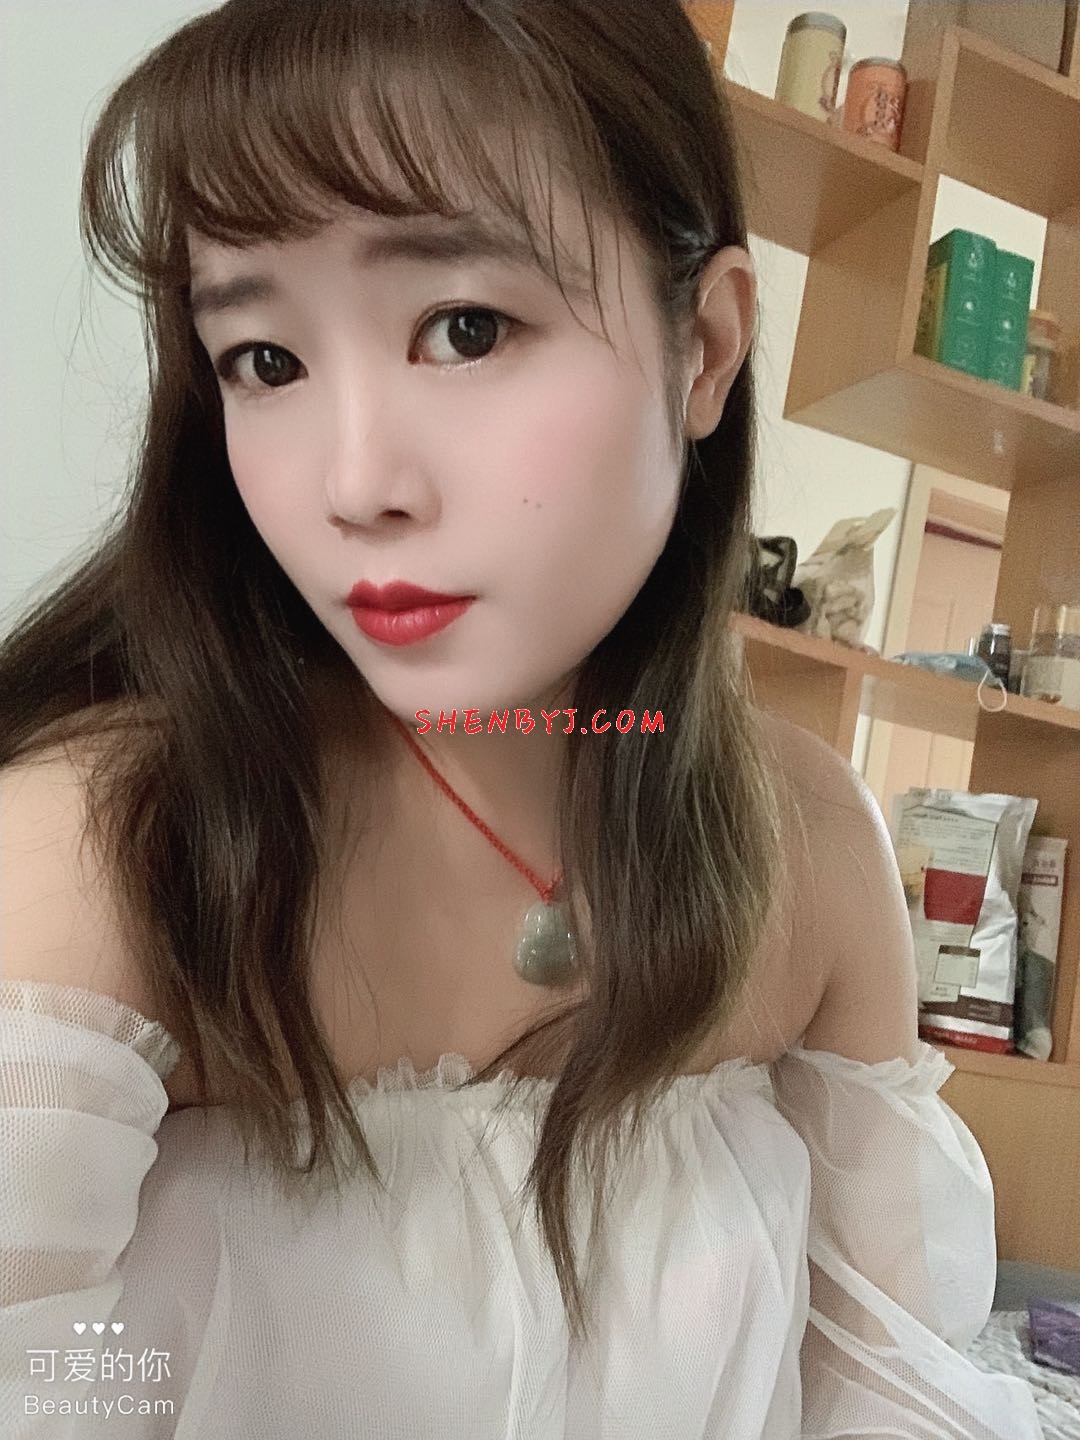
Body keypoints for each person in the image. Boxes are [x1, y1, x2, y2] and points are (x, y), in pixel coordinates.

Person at [0, 2, 1046, 1436]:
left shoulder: (802, 843)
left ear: (706, 348)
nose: (354, 486)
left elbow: (880, 1387)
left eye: (464, 328)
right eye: (266, 360)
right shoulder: (101, 858)